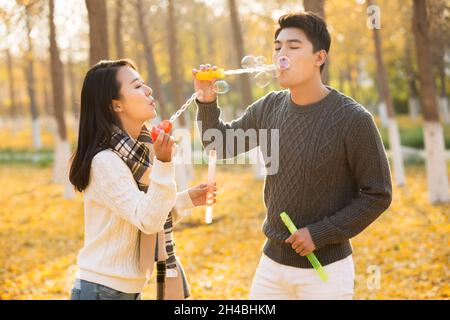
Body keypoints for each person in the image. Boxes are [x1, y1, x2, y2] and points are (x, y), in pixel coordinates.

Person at [193, 12, 392, 300]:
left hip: (326, 273)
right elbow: (218, 146)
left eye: (293, 46)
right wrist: (206, 101)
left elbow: (378, 193)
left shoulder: (353, 119)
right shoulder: (269, 107)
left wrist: (320, 233)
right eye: (277, 47)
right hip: (271, 268)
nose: (281, 54)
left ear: (319, 57)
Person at [69, 59, 216, 300]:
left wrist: (186, 199)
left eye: (144, 84)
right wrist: (164, 164)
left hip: (122, 291)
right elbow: (147, 220)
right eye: (137, 86)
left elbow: (147, 211)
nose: (148, 91)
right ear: (116, 105)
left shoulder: (138, 153)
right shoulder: (105, 161)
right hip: (101, 291)